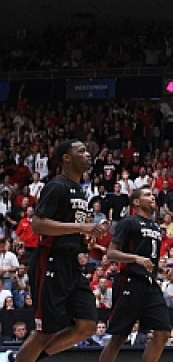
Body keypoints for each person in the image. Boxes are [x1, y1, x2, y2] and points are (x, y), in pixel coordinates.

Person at [16, 140, 109, 362]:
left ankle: (34, 357)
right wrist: (80, 227)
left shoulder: (79, 190)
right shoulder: (57, 185)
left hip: (72, 264)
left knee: (87, 325)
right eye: (82, 151)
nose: (88, 154)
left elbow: (69, 228)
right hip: (50, 261)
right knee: (45, 331)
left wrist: (87, 236)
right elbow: (38, 224)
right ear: (67, 158)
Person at [99, 185, 171, 362]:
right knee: (118, 337)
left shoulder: (155, 226)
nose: (153, 197)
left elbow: (149, 257)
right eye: (147, 195)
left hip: (150, 284)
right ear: (137, 202)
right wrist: (136, 259)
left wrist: (160, 269)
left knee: (163, 332)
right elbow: (111, 253)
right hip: (130, 282)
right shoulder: (129, 222)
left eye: (153, 195)